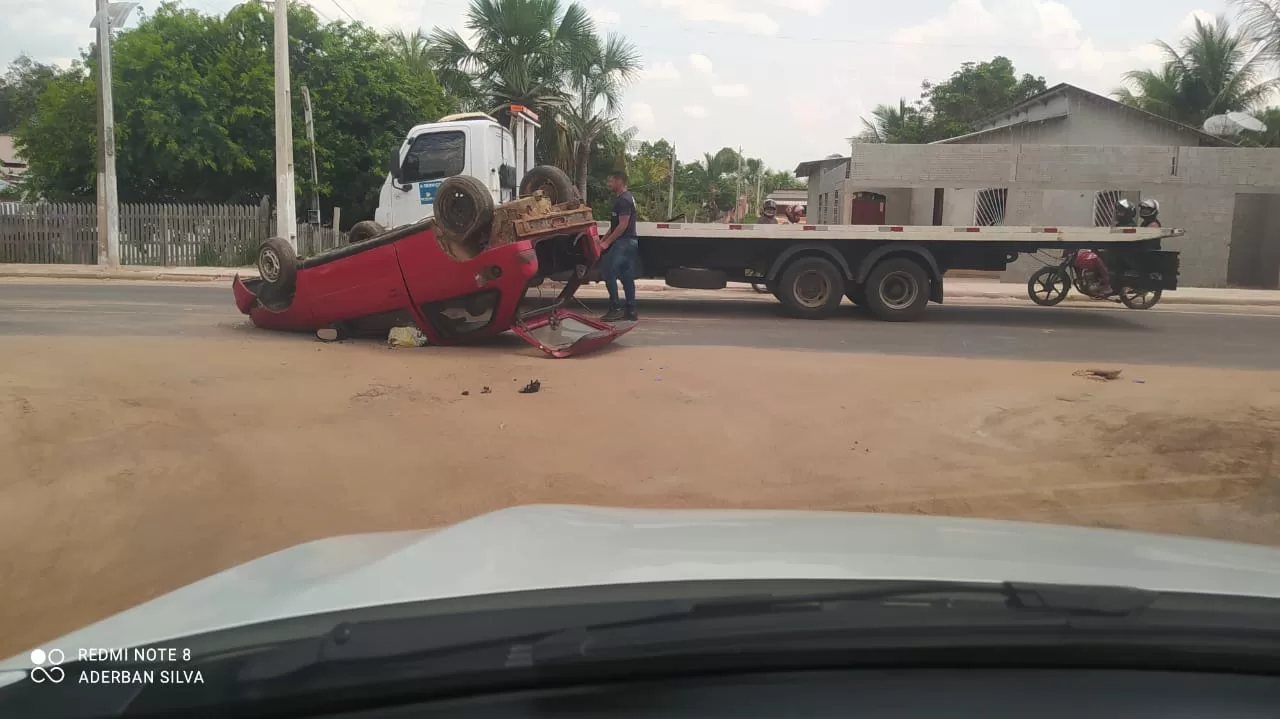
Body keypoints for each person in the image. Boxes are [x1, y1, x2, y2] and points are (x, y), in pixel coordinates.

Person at [599, 170, 640, 322]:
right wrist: (602, 240)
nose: (608, 184)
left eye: (611, 181)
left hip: (624, 242)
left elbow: (622, 226)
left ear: (619, 181)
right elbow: (614, 226)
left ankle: (615, 308)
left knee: (608, 272)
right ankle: (631, 310)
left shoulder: (624, 200)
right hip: (628, 242)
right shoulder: (623, 199)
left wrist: (607, 243)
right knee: (626, 276)